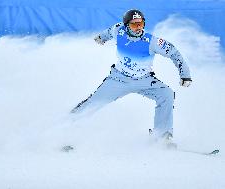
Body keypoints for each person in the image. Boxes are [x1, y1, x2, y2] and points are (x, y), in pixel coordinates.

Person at [70, 9, 192, 145]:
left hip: (144, 80)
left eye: (141, 24)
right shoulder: (118, 30)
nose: (139, 28)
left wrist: (185, 75)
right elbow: (109, 32)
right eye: (134, 25)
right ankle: (68, 127)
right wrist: (101, 38)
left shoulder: (152, 41)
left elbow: (174, 53)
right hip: (118, 79)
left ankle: (162, 136)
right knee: (94, 102)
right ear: (126, 25)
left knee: (167, 94)